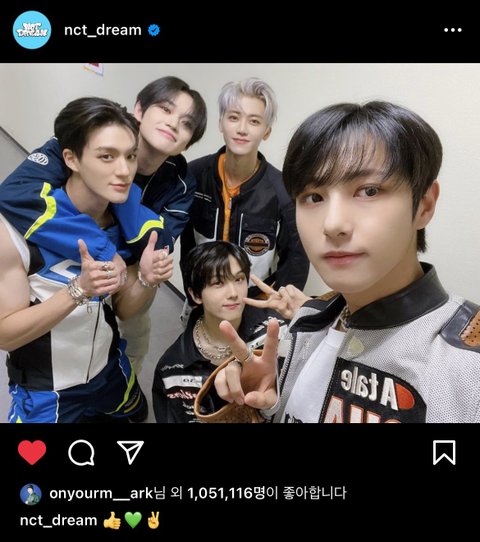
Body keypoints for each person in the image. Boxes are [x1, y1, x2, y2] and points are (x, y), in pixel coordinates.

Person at [212, 100, 480, 423]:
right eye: (314, 197)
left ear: (424, 205)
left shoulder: (466, 363)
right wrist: (266, 404)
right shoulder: (309, 322)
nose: (333, 224)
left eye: (369, 191)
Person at [0, 76, 207, 373]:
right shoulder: (86, 135)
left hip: (128, 272)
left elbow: (155, 246)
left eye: (187, 123)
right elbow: (15, 194)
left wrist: (135, 266)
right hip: (69, 261)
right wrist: (103, 248)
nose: (173, 123)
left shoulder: (182, 184)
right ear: (139, 109)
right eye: (165, 109)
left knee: (131, 343)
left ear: (190, 140)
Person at [0, 97, 172, 423]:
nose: (124, 171)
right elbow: (5, 334)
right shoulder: (14, 231)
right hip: (47, 391)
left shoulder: (124, 225)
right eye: (106, 156)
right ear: (71, 159)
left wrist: (146, 279)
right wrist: (78, 290)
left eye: (130, 156)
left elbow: (123, 310)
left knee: (137, 414)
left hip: (110, 370)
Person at [180, 77, 309, 305]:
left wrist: (276, 309)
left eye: (254, 121)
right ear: (220, 123)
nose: (242, 129)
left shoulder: (282, 191)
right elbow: (187, 245)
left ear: (266, 131)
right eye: (233, 117)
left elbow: (295, 261)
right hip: (203, 299)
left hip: (256, 302)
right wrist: (194, 297)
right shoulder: (194, 175)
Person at [152, 241, 287, 423]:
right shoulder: (172, 368)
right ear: (195, 295)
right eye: (218, 283)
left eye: (239, 279)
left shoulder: (276, 331)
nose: (233, 293)